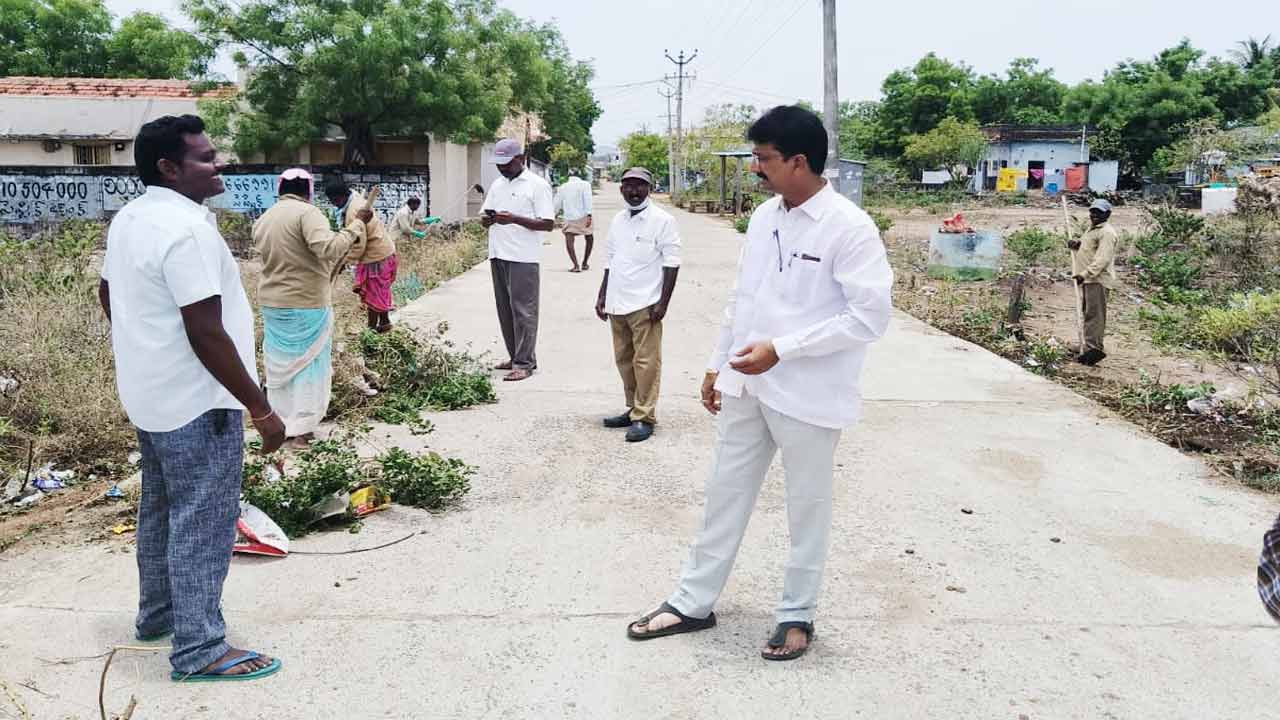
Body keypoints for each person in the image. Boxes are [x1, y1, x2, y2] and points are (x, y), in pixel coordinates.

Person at [625, 105, 893, 661]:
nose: (755, 168)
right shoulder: (766, 216)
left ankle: (797, 613)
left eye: (764, 158)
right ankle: (692, 601)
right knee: (724, 492)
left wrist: (785, 350)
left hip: (809, 394)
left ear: (799, 161)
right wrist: (717, 364)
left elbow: (871, 317)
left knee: (807, 505)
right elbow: (743, 298)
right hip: (749, 383)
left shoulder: (849, 226)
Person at [98, 114, 287, 681]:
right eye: (205, 157)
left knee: (160, 510)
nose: (218, 163)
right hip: (199, 402)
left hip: (151, 394)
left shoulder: (131, 218)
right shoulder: (187, 231)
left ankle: (157, 615)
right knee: (202, 520)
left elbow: (108, 292)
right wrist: (260, 408)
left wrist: (144, 347)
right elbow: (206, 329)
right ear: (169, 168)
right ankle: (201, 648)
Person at [253, 171, 371, 446]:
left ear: (281, 188)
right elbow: (328, 249)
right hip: (306, 303)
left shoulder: (264, 218)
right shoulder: (308, 214)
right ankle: (302, 430)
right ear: (308, 190)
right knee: (309, 366)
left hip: (272, 304)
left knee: (279, 367)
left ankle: (280, 425)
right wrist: (356, 226)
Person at [594, 167, 680, 443]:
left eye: (639, 186)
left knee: (646, 362)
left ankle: (644, 417)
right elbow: (610, 260)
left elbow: (672, 263)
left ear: (649, 188)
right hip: (617, 303)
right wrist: (602, 295)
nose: (633, 191)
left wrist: (663, 303)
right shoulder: (618, 220)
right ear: (621, 189)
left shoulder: (663, 220)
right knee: (624, 361)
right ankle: (632, 408)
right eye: (628, 186)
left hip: (645, 303)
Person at [480, 138, 555, 381]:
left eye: (506, 163)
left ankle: (525, 363)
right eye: (498, 163)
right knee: (506, 310)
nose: (502, 168)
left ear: (520, 159)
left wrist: (514, 219)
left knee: (524, 311)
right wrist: (489, 219)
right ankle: (514, 357)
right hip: (498, 252)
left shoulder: (537, 185)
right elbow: (485, 215)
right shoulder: (497, 185)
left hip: (523, 256)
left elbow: (547, 223)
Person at [324, 180, 395, 333]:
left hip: (375, 257)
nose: (334, 205)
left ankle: (370, 330)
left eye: (334, 201)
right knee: (379, 291)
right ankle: (384, 323)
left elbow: (358, 245)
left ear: (340, 197)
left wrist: (344, 261)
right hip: (384, 252)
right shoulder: (356, 200)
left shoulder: (353, 212)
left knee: (373, 294)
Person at [1066, 198, 1118, 366]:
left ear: (1108, 214)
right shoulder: (1092, 229)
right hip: (1089, 279)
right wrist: (1077, 245)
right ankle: (1086, 344)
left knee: (1095, 315)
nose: (1094, 215)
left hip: (1097, 280)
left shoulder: (1107, 233)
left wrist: (1085, 274)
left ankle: (1092, 348)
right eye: (1092, 212)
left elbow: (1102, 259)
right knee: (1087, 312)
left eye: (1099, 212)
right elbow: (1088, 248)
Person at [554, 171, 594, 272]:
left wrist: (552, 215)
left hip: (569, 217)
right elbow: (588, 199)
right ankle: (585, 263)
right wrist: (589, 214)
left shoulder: (563, 187)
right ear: (579, 176)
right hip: (584, 215)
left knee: (569, 240)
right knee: (589, 237)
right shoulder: (586, 184)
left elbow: (557, 203)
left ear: (568, 177)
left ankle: (576, 265)